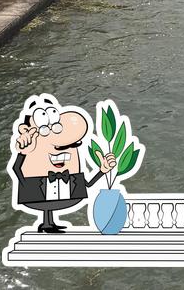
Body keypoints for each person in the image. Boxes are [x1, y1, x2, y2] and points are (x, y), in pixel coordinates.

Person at [9, 95, 116, 233]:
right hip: (38, 189)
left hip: (62, 190)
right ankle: (47, 224)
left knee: (50, 204)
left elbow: (87, 184)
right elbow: (15, 167)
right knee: (46, 203)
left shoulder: (72, 170)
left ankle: (49, 223)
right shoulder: (30, 147)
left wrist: (103, 170)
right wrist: (27, 185)